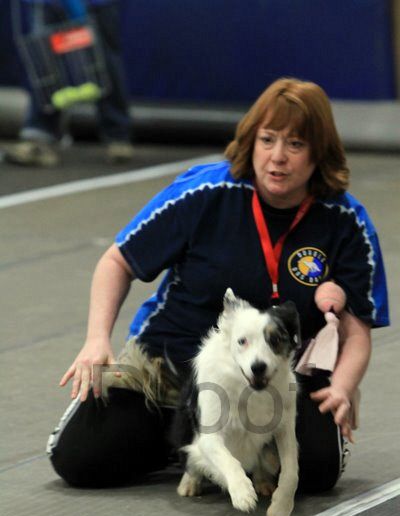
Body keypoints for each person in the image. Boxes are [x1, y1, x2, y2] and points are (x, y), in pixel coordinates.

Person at [47, 77, 389, 493]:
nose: (277, 158)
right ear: (251, 141)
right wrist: (96, 338)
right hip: (170, 370)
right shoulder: (205, 192)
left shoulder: (346, 222)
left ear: (320, 153)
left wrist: (343, 385)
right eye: (267, 140)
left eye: (295, 145)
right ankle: (188, 440)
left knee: (316, 473)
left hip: (275, 382)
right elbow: (116, 261)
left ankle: (216, 447)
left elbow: (357, 330)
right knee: (80, 460)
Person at [5, 0, 133, 166]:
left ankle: (117, 136)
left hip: (96, 4)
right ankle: (39, 137)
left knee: (103, 62)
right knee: (43, 63)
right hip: (48, 3)